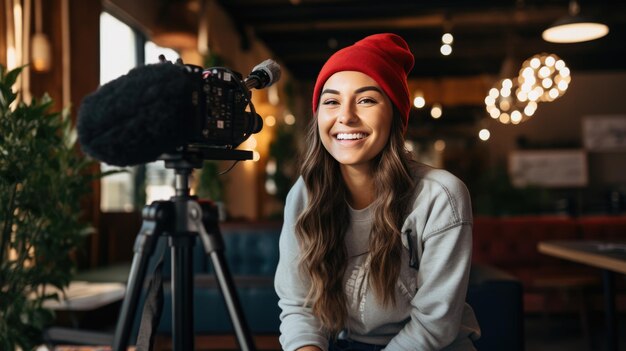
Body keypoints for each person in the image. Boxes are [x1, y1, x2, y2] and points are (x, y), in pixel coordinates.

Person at [274, 33, 481, 351]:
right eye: (331, 101)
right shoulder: (305, 194)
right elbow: (300, 307)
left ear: (394, 114)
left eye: (366, 100)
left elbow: (434, 325)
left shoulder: (441, 196)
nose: (345, 116)